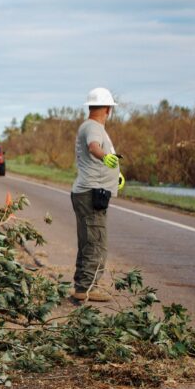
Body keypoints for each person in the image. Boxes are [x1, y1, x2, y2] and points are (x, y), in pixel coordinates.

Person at [70, 87, 125, 302]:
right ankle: (86, 288)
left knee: (89, 241)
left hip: (90, 191)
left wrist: (115, 175)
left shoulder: (90, 126)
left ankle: (82, 285)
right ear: (108, 109)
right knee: (96, 243)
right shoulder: (93, 127)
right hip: (91, 193)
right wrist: (105, 158)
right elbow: (94, 147)